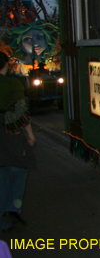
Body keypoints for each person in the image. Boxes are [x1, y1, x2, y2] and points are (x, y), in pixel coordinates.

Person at [0, 52, 36, 232]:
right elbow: (21, 111)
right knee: (19, 169)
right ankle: (12, 209)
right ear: (6, 65)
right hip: (9, 132)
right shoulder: (13, 83)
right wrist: (30, 135)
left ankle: (3, 220)